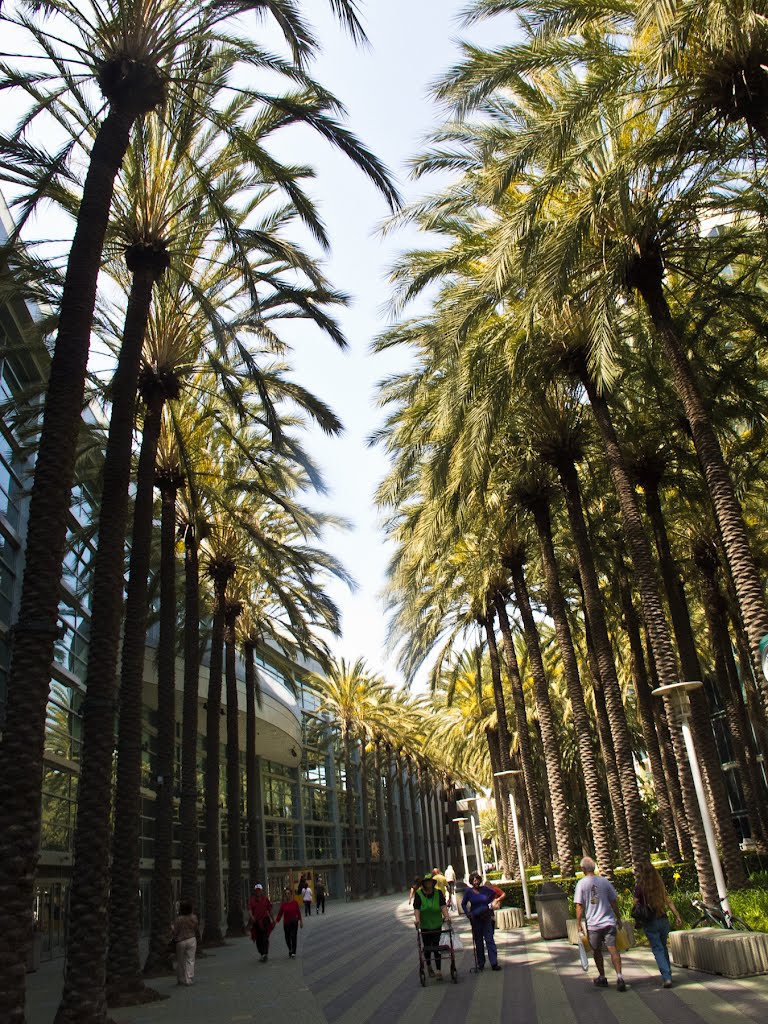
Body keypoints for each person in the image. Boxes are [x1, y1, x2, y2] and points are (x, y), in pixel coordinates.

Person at [574, 856, 626, 991]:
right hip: (608, 922)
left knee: (596, 951)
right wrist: (618, 918)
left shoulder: (581, 884)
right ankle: (619, 976)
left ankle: (602, 976)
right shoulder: (605, 882)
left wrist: (578, 923)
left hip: (593, 925)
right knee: (613, 948)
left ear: (583, 869)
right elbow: (614, 901)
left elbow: (579, 906)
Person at [633, 860, 683, 988]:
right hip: (663, 919)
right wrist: (677, 915)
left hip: (650, 921)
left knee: (657, 948)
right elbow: (669, 901)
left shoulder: (640, 888)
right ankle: (668, 974)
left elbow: (635, 904)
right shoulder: (659, 885)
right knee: (663, 947)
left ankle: (666, 977)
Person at [461, 872, 504, 971]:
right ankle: (481, 963)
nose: (475, 881)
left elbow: (494, 894)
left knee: (489, 939)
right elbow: (463, 903)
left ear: (480, 880)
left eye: (477, 879)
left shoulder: (485, 890)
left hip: (486, 917)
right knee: (478, 941)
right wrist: (468, 913)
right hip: (475, 919)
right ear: (471, 881)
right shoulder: (469, 892)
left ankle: (494, 962)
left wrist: (489, 904)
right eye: (473, 880)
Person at [413, 873, 450, 979]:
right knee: (428, 947)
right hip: (425, 925)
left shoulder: (438, 893)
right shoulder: (419, 894)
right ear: (423, 884)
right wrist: (417, 920)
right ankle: (429, 966)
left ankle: (438, 970)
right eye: (426, 882)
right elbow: (417, 908)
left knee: (437, 947)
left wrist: (447, 916)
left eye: (430, 882)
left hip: (436, 923)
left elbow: (443, 906)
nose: (428, 884)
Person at [171, 899, 198, 986]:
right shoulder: (193, 918)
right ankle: (188, 979)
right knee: (190, 959)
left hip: (180, 941)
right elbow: (195, 927)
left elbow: (175, 931)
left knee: (180, 960)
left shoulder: (178, 919)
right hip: (191, 939)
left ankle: (180, 979)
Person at [248, 884, 274, 962]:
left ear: (261, 891)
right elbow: (249, 910)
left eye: (259, 890)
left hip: (265, 920)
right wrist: (252, 917)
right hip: (256, 922)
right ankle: (262, 953)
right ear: (255, 891)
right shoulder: (252, 900)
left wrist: (273, 919)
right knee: (258, 938)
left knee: (265, 937)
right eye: (257, 890)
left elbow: (270, 909)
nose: (258, 891)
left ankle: (265, 953)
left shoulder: (265, 899)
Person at [275, 887, 303, 957]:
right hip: (286, 923)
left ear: (291, 894)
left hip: (294, 922)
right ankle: (290, 948)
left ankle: (293, 952)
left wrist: (301, 921)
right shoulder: (283, 904)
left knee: (293, 936)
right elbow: (280, 913)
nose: (287, 895)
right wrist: (276, 921)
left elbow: (298, 912)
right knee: (287, 938)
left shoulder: (295, 903)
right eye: (286, 894)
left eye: (288, 893)